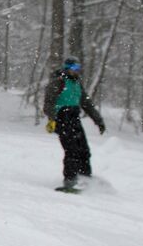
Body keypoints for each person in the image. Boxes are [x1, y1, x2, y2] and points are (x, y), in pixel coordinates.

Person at [43, 57, 105, 189]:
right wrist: (52, 119)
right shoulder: (58, 82)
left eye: (78, 68)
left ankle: (85, 178)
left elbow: (86, 103)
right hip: (62, 118)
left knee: (84, 149)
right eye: (74, 68)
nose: (77, 71)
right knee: (71, 150)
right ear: (67, 68)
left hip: (74, 117)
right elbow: (48, 103)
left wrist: (98, 120)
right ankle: (70, 180)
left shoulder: (77, 83)